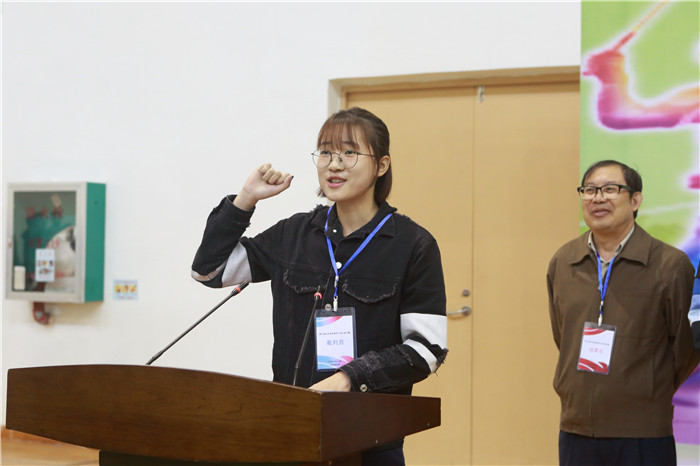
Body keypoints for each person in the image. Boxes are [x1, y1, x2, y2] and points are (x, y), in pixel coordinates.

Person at [191, 107, 448, 466]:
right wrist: (245, 199)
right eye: (326, 152)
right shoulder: (293, 235)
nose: (334, 164)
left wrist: (348, 378)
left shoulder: (413, 245)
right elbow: (209, 271)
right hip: (292, 430)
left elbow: (426, 349)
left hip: (371, 442)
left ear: (382, 165)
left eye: (349, 152)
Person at [547, 160, 699, 466]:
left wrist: (648, 385)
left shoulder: (669, 265)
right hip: (576, 427)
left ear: (635, 200)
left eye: (610, 189)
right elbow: (563, 335)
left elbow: (687, 348)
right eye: (589, 190)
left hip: (643, 430)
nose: (598, 198)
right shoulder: (564, 260)